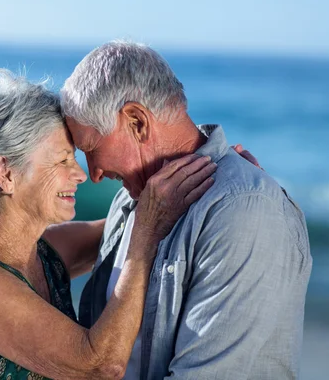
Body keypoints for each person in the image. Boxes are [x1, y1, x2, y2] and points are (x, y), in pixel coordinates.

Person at [0, 69, 217, 380]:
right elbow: (101, 366)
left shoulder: (44, 251)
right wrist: (146, 234)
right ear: (5, 172)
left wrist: (218, 177)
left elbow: (143, 221)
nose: (80, 174)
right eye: (62, 160)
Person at [61, 41, 313, 379]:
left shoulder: (244, 211)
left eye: (91, 149)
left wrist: (244, 195)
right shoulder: (132, 201)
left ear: (137, 122)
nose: (93, 174)